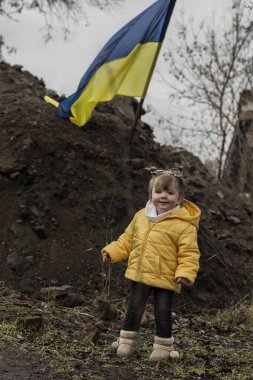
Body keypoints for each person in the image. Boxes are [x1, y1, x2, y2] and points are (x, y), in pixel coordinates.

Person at [101, 168, 201, 362]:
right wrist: (111, 252)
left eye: (170, 193)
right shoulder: (141, 216)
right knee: (135, 307)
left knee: (162, 310)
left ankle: (163, 347)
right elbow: (126, 241)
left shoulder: (184, 225)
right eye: (159, 192)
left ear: (179, 198)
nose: (164, 196)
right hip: (140, 273)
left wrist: (185, 273)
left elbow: (189, 253)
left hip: (166, 276)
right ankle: (126, 343)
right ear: (151, 194)